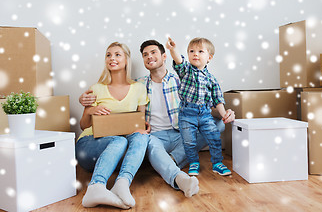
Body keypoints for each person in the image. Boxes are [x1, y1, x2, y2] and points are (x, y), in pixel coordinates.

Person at [79, 39, 235, 197]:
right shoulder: (139, 85)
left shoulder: (183, 80)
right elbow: (130, 114)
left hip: (181, 133)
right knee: (146, 142)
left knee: (216, 125)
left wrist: (225, 113)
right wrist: (87, 104)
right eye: (145, 55)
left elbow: (206, 108)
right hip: (154, 137)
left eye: (153, 52)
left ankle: (169, 161)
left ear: (165, 56)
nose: (149, 57)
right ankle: (178, 176)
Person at [76, 42, 150, 209]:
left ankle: (122, 183)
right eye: (108, 55)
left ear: (126, 60)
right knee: (119, 141)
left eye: (117, 54)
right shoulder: (96, 88)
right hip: (89, 145)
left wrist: (144, 127)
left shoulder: (139, 88)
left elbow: (140, 121)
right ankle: (96, 187)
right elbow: (83, 125)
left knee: (141, 136)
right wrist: (91, 110)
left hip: (118, 151)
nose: (112, 58)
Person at [166, 37, 233, 177]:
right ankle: (193, 162)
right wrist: (173, 49)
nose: (195, 54)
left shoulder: (211, 79)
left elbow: (218, 100)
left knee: (214, 137)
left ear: (209, 57)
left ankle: (217, 163)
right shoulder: (186, 71)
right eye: (192, 51)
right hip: (186, 113)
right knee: (189, 141)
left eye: (200, 51)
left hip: (205, 114)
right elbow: (179, 60)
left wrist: (223, 114)